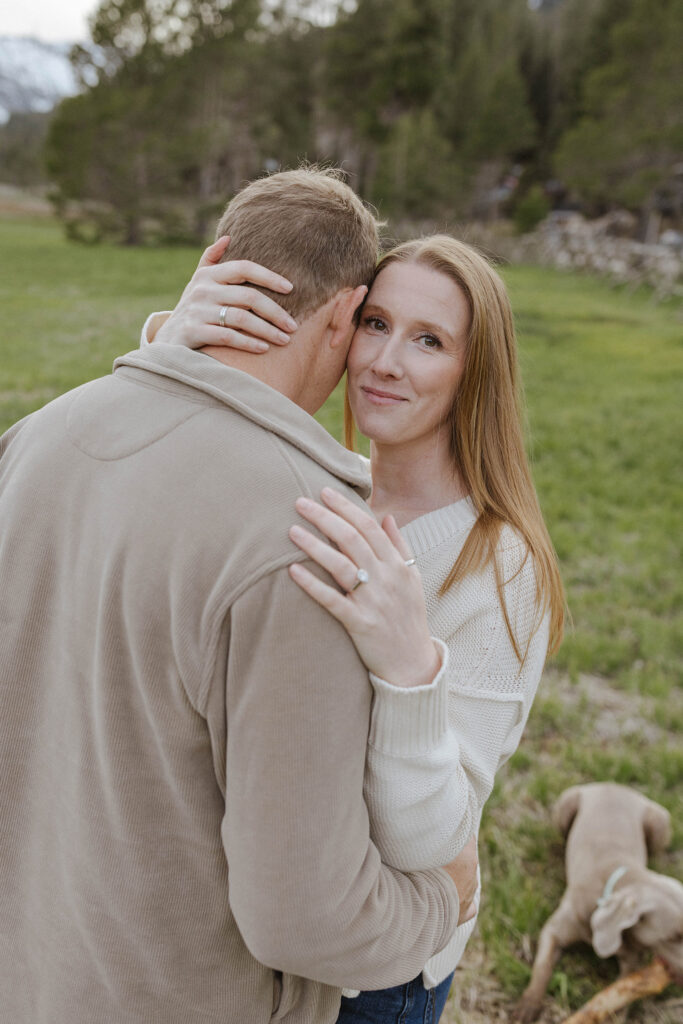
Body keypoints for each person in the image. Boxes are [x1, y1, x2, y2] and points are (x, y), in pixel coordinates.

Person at [0, 169, 480, 1024]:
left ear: (215, 266)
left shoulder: (36, 437)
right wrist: (440, 902)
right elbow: (305, 916)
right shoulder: (309, 537)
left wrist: (160, 346)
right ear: (343, 315)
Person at [142, 231, 566, 1024]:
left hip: (375, 977)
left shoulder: (498, 567)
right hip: (257, 937)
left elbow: (432, 848)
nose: (385, 362)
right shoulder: (322, 491)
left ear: (475, 373)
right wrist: (171, 351)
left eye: (428, 341)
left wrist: (408, 667)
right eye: (376, 324)